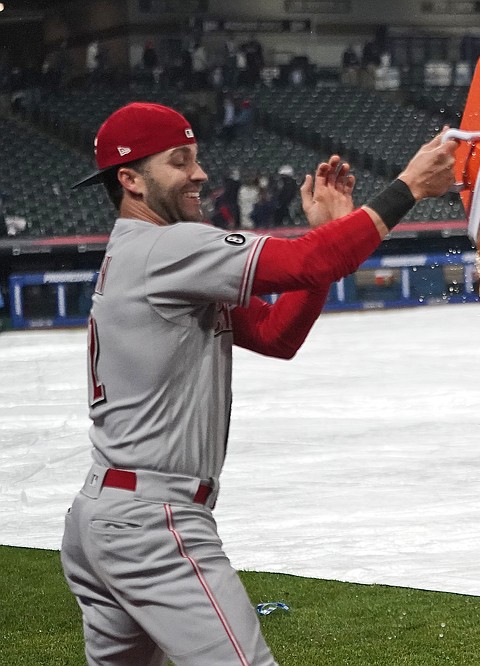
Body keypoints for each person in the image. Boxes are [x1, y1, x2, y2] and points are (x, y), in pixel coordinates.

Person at [60, 101, 458, 665]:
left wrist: (329, 237)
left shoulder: (144, 254)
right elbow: (306, 262)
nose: (199, 173)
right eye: (180, 162)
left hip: (104, 513)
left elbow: (276, 334)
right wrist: (409, 187)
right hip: (153, 521)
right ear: (131, 180)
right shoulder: (165, 247)